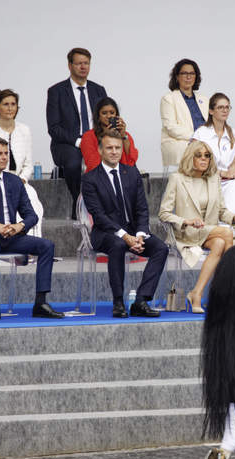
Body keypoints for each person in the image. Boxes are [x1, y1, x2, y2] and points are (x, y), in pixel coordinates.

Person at [0, 137, 64, 321]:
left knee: (46, 245)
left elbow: (32, 215)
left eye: (6, 153)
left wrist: (19, 226)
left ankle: (40, 302)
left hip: (11, 235)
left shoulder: (14, 182)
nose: (4, 158)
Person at [81, 130, 167, 318]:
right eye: (109, 148)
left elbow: (142, 209)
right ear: (100, 150)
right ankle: (118, 302)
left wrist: (140, 234)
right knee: (118, 244)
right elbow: (99, 215)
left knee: (160, 247)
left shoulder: (132, 173)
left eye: (117, 148)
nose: (114, 151)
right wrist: (125, 236)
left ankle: (141, 300)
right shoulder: (90, 179)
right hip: (105, 233)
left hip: (134, 232)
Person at [158, 141, 235, 314]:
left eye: (207, 155)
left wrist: (234, 217)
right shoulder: (177, 179)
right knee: (227, 232)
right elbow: (164, 213)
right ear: (190, 157)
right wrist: (187, 221)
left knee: (221, 243)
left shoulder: (213, 179)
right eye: (198, 155)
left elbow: (221, 210)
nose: (203, 159)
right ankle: (227, 291)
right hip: (187, 233)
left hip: (208, 232)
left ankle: (196, 293)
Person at [46, 47, 107, 219]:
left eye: (86, 63)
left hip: (96, 141)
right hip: (68, 144)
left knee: (114, 158)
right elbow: (54, 127)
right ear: (69, 65)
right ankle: (78, 202)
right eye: (79, 63)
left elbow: (107, 117)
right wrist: (80, 141)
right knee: (73, 164)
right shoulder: (56, 91)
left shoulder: (98, 90)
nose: (83, 67)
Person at [0, 89, 43, 238]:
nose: (10, 108)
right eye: (6, 104)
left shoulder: (24, 130)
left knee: (33, 199)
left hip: (20, 181)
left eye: (13, 104)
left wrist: (21, 180)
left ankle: (32, 243)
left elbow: (28, 164)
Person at [191, 92, 235, 243]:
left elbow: (234, 165)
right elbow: (196, 165)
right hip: (205, 181)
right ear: (211, 111)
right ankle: (228, 233)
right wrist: (222, 173)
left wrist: (232, 173)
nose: (225, 110)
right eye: (220, 107)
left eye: (227, 107)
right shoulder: (201, 134)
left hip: (226, 182)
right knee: (233, 189)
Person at [160, 58, 208, 168]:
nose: (188, 76)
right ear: (177, 77)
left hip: (204, 141)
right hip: (181, 141)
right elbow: (170, 127)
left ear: (196, 77)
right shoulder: (168, 99)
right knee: (197, 152)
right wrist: (195, 136)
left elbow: (211, 122)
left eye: (192, 73)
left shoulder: (204, 99)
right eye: (184, 73)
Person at [81, 97, 138, 172]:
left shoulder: (125, 134)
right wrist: (106, 136)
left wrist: (123, 136)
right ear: (98, 116)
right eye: (104, 113)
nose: (109, 116)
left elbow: (131, 160)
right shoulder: (88, 136)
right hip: (98, 176)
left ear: (116, 115)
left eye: (112, 113)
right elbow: (92, 164)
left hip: (122, 175)